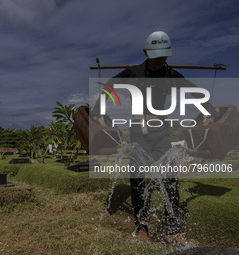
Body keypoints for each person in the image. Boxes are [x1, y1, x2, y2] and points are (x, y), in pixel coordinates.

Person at [92, 31, 219, 244]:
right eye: (157, 56)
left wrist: (209, 112)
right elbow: (110, 84)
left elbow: (194, 90)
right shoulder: (132, 73)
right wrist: (99, 111)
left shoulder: (170, 75)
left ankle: (172, 231)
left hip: (161, 132)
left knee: (170, 180)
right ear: (146, 53)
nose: (161, 60)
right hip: (138, 132)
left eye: (164, 56)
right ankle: (141, 227)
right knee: (138, 180)